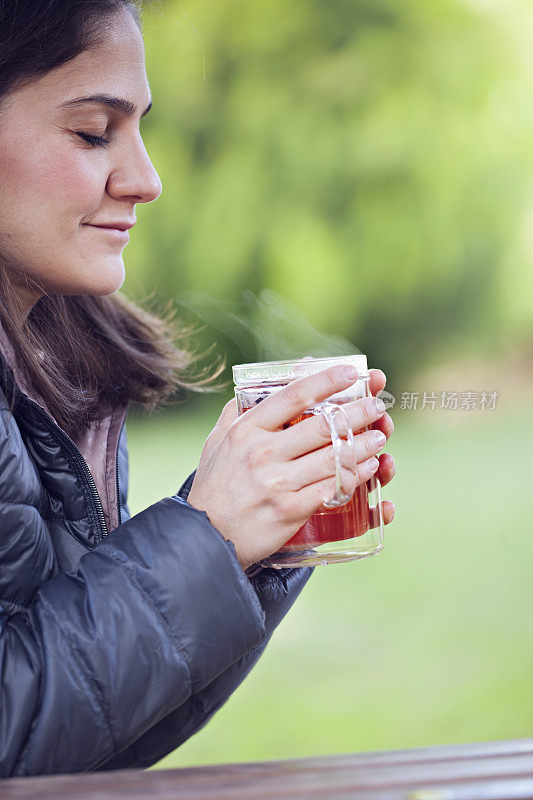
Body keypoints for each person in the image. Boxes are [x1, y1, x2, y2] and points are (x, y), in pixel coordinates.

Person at [0, 0, 396, 778]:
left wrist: (251, 543)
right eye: (91, 132)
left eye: (140, 127)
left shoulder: (50, 369)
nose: (146, 180)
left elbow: (85, 742)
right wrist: (204, 533)